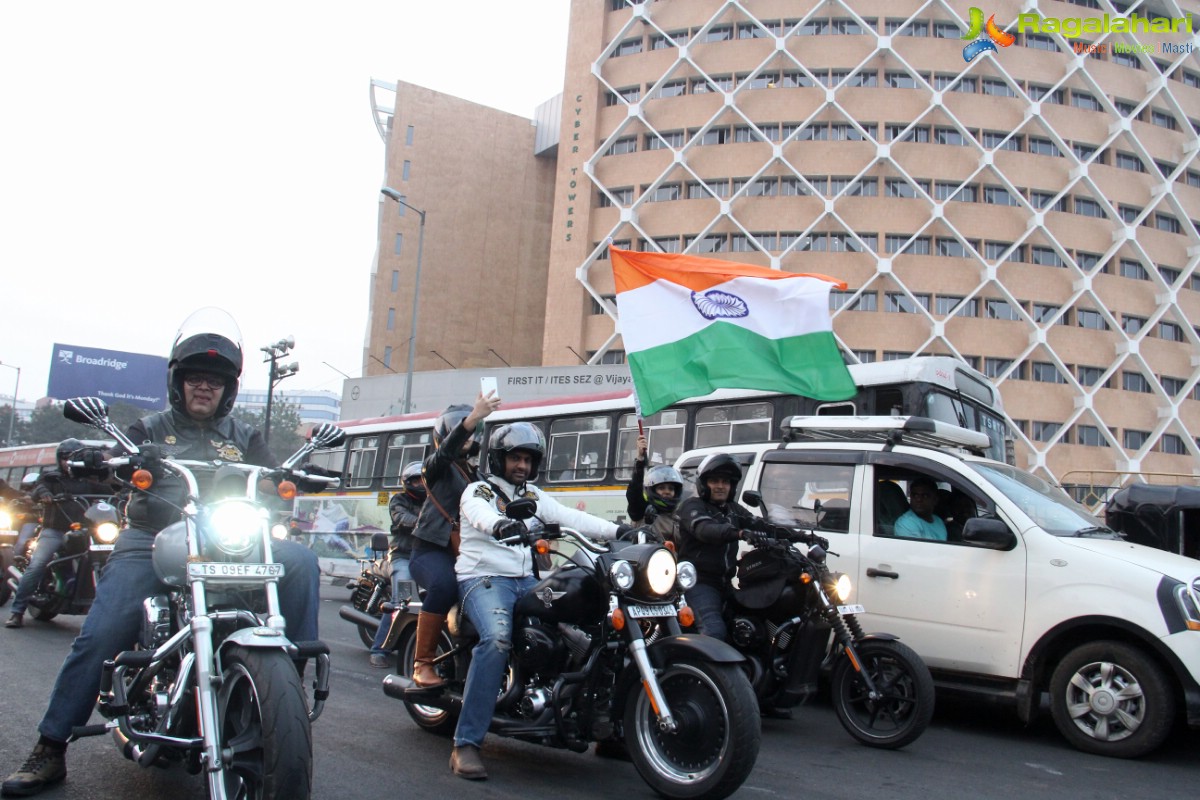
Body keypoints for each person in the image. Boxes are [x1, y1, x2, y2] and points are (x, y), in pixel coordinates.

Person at [1, 308, 323, 798]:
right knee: (102, 631)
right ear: (178, 382)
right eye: (195, 378)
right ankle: (50, 746)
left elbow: (276, 475)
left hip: (226, 539)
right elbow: (105, 456)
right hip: (152, 538)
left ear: (227, 389)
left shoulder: (245, 437)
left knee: (301, 563)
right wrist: (97, 456)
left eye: (214, 381)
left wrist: (295, 476)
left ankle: (285, 693)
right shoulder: (149, 427)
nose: (204, 387)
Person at [448, 421, 623, 780]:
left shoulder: (533, 496)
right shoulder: (479, 491)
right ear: (499, 459)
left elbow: (570, 517)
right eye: (515, 458)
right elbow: (481, 517)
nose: (522, 466)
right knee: (496, 639)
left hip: (526, 579)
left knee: (590, 627)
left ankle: (602, 723)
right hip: (484, 578)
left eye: (528, 459)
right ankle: (465, 744)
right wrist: (500, 525)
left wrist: (619, 530)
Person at [408, 392, 501, 688]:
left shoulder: (477, 476)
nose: (467, 437)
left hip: (468, 553)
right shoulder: (435, 468)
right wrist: (473, 417)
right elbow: (445, 453)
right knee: (445, 584)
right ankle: (422, 663)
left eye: (472, 432)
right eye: (460, 430)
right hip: (432, 551)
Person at [6, 439, 112, 629]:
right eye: (64, 458)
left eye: (73, 458)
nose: (67, 462)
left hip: (84, 531)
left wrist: (127, 491)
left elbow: (112, 490)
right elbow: (39, 487)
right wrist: (45, 494)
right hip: (55, 530)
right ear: (59, 459)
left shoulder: (90, 480)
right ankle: (17, 611)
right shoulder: (52, 478)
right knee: (38, 564)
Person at [674, 452, 764, 643]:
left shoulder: (733, 510)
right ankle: (699, 671)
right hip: (699, 583)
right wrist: (739, 533)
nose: (721, 486)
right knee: (714, 631)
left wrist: (803, 536)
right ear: (704, 484)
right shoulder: (692, 506)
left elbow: (761, 524)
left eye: (725, 481)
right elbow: (705, 529)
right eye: (715, 481)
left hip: (725, 584)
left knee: (754, 626)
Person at [369, 461, 425, 668]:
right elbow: (402, 518)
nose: (420, 484)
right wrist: (426, 521)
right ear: (408, 482)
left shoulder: (434, 500)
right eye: (416, 480)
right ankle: (379, 650)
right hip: (403, 556)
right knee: (403, 599)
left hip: (428, 557)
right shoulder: (398, 500)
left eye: (423, 479)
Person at [624, 434, 682, 544]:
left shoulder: (678, 518)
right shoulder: (643, 511)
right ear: (653, 490)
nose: (667, 491)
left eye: (671, 488)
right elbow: (634, 492)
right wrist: (640, 460)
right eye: (661, 488)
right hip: (648, 559)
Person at [894, 476, 949, 541]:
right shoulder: (905, 523)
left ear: (935, 500)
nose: (919, 499)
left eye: (925, 496)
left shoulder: (938, 521)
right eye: (915, 495)